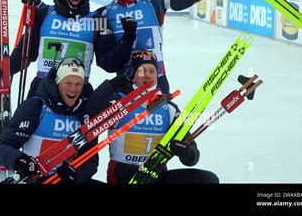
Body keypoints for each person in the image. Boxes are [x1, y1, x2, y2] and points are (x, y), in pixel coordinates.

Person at [0, 0, 134, 99]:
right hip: (43, 88)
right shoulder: (44, 14)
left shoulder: (97, 20)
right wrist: (5, 69)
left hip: (78, 91)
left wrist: (127, 39)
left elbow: (108, 63)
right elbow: (25, 52)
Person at [96, 0, 219, 95]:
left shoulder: (154, 3)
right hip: (125, 89)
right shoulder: (103, 14)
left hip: (158, 84)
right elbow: (105, 62)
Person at [83, 50, 219, 184]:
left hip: (155, 174)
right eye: (142, 71)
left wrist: (186, 152)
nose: (147, 75)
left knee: (207, 179)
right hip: (123, 174)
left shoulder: (169, 107)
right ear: (134, 76)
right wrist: (112, 85)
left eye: (152, 71)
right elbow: (91, 109)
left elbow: (193, 157)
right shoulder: (117, 102)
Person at [0, 57, 127, 184]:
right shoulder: (36, 107)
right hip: (37, 179)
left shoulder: (85, 113)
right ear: (57, 83)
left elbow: (90, 161)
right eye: (68, 83)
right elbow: (2, 146)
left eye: (78, 84)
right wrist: (21, 161)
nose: (73, 89)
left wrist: (75, 175)